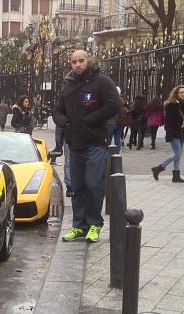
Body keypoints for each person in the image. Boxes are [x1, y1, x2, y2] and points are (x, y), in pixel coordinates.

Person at [53, 50, 120, 243]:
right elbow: (57, 111)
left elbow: (114, 105)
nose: (77, 65)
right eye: (74, 62)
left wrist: (89, 120)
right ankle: (78, 226)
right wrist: (65, 122)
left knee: (93, 184)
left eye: (81, 61)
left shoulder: (102, 82)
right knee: (77, 186)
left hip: (95, 143)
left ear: (88, 61)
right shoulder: (68, 85)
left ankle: (94, 225)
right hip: (74, 144)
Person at [150, 85, 184, 183]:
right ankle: (159, 168)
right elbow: (169, 121)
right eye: (181, 92)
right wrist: (170, 133)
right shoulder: (173, 105)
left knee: (179, 154)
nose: (183, 94)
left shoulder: (183, 104)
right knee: (178, 154)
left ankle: (176, 176)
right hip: (174, 133)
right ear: (176, 93)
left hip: (180, 132)